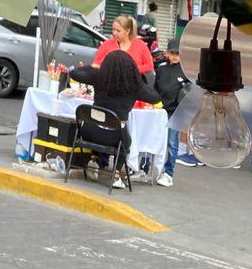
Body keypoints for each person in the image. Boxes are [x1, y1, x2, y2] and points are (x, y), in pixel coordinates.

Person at [69, 52, 163, 189]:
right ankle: (116, 174)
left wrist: (93, 67)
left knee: (101, 124)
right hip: (115, 137)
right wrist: (139, 78)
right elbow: (155, 97)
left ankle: (94, 160)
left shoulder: (98, 77)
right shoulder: (134, 87)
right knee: (126, 142)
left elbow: (74, 73)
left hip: (89, 132)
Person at [151, 36, 195, 187]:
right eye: (172, 53)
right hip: (159, 110)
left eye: (178, 53)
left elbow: (189, 94)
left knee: (172, 143)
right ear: (167, 53)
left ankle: (168, 173)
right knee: (153, 140)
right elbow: (155, 89)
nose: (175, 56)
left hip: (175, 113)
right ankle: (146, 169)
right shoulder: (162, 69)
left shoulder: (186, 72)